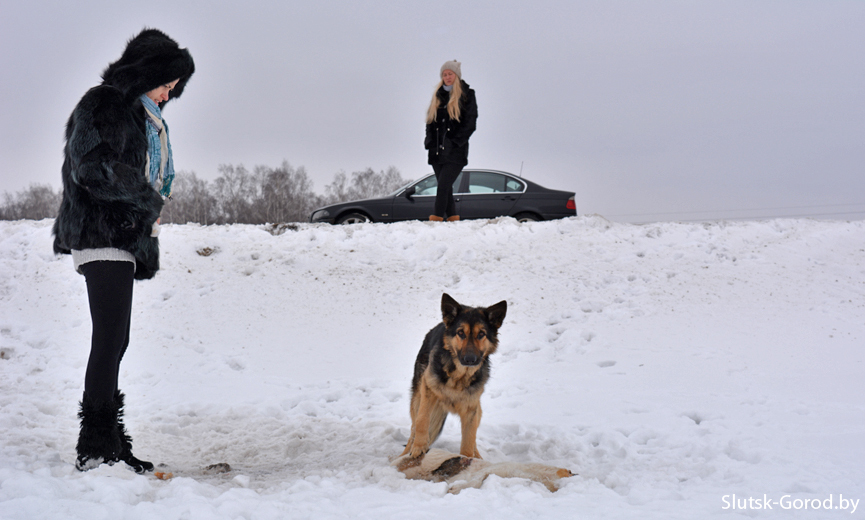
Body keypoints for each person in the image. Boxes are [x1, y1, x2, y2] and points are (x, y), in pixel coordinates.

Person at [52, 28, 194, 473]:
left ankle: (109, 441)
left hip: (123, 234)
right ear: (146, 73)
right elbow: (91, 166)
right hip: (101, 232)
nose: (169, 95)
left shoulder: (142, 115)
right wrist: (145, 201)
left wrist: (146, 208)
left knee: (118, 340)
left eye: (175, 88)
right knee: (109, 339)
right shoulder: (105, 102)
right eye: (166, 84)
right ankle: (95, 447)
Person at [425, 60, 478, 222]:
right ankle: (453, 218)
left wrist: (456, 142)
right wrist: (428, 142)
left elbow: (470, 122)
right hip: (436, 151)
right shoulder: (438, 95)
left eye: (450, 74)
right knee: (445, 188)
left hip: (455, 151)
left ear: (457, 75)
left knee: (442, 186)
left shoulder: (467, 94)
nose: (447, 77)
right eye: (444, 74)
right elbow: (430, 122)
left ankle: (436, 219)